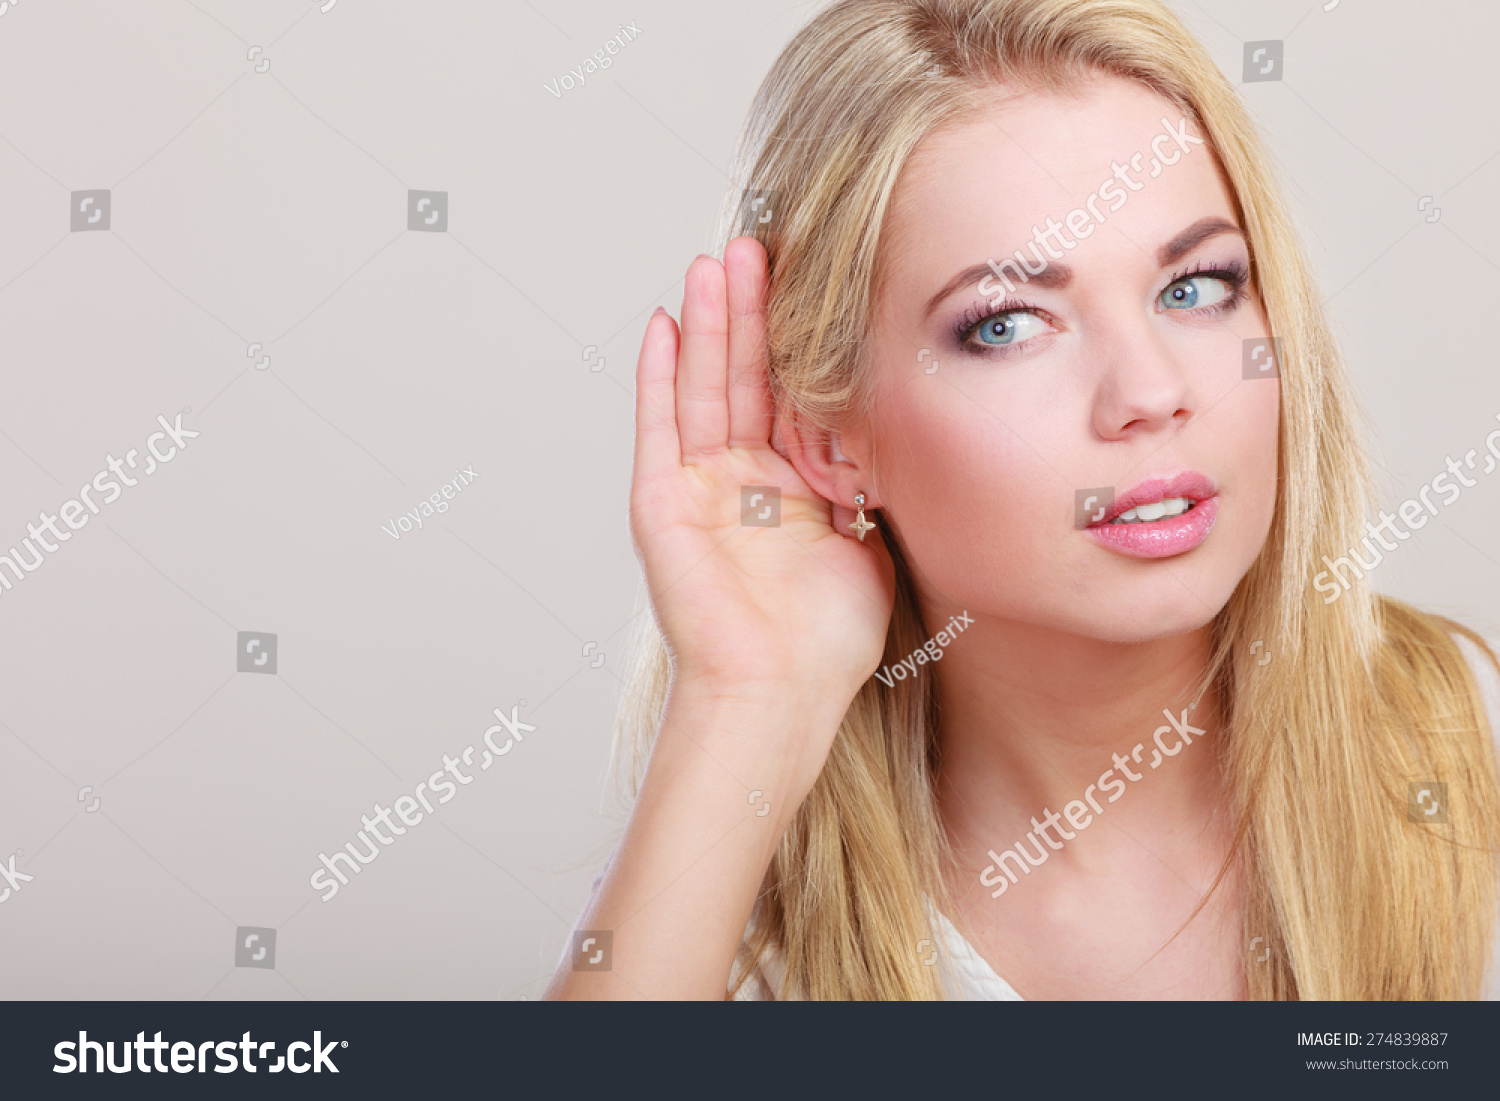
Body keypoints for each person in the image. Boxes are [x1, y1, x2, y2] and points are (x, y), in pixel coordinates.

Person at [545, 0, 1500, 1000]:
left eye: (1196, 286)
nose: (1148, 393)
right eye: (1006, 325)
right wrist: (745, 704)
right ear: (833, 442)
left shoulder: (1469, 752)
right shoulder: (726, 948)